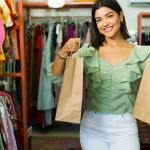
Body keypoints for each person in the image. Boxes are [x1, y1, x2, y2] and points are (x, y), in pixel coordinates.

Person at [47, 0, 150, 149]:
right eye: (99, 19)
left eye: (109, 16)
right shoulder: (88, 51)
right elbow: (55, 76)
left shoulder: (143, 54)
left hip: (125, 128)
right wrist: (63, 52)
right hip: (91, 126)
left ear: (120, 16)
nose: (105, 23)